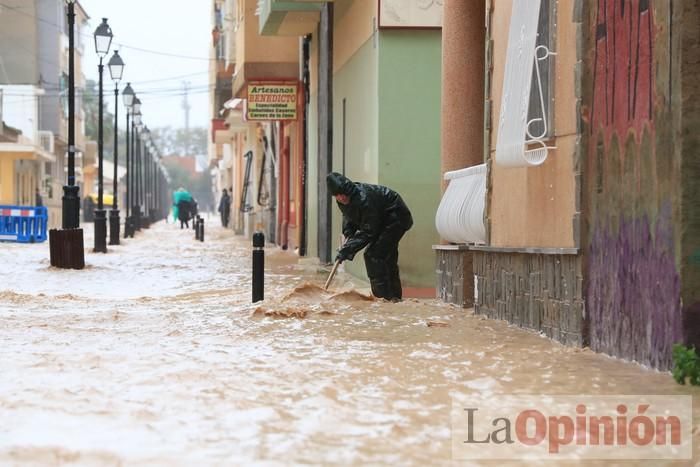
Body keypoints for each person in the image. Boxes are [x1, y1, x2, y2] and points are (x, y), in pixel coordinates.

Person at [326, 172, 413, 301]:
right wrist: (348, 232)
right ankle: (394, 299)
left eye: (343, 193)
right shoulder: (344, 200)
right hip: (381, 219)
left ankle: (382, 299)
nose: (342, 197)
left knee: (374, 255)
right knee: (387, 256)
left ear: (348, 190)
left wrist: (348, 249)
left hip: (395, 217)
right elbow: (349, 216)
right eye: (338, 195)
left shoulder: (364, 199)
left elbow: (368, 232)